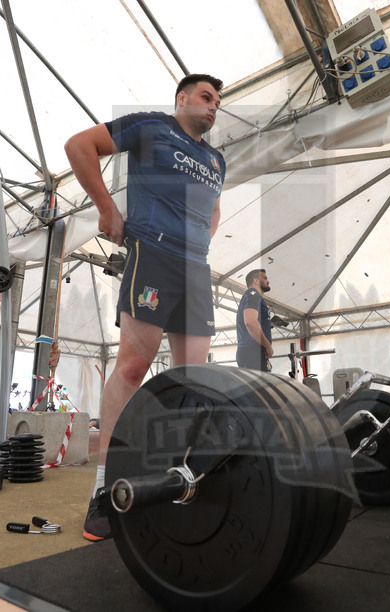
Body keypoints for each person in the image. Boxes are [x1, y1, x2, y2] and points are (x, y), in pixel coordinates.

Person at [64, 74, 225, 540]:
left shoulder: (216, 159)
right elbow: (79, 145)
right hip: (152, 253)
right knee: (133, 367)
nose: (213, 107)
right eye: (206, 97)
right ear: (182, 98)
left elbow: (214, 207)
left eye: (218, 102)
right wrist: (107, 207)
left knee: (192, 380)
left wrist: (201, 239)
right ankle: (104, 486)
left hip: (195, 269)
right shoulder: (152, 126)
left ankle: (177, 479)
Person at [236, 269, 273, 371]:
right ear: (256, 281)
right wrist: (268, 346)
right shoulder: (253, 294)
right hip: (253, 352)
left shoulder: (254, 297)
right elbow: (250, 322)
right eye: (264, 278)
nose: (268, 281)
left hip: (253, 352)